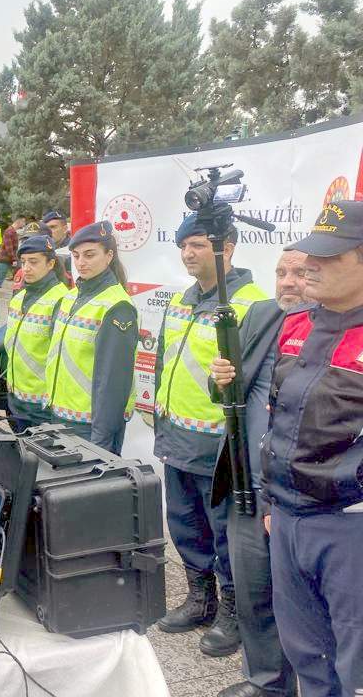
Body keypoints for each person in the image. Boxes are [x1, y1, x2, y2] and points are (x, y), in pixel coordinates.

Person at [212, 202, 363, 697]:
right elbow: (278, 422)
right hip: (290, 520)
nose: (311, 265)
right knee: (308, 655)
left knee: (355, 663)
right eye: (309, 254)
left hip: (348, 526)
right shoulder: (295, 325)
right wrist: (277, 502)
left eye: (328, 256)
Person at [153, 215, 268, 657]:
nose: (188, 253)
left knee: (225, 532)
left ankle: (235, 612)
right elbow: (168, 362)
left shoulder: (252, 303)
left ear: (228, 247)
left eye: (198, 244)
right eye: (184, 246)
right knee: (185, 525)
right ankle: (201, 599)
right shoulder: (183, 299)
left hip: (218, 446)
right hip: (177, 435)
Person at [207, 251, 308, 697]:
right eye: (281, 273)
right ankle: (267, 681)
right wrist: (220, 378)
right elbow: (226, 390)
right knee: (253, 591)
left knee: (307, 604)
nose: (288, 282)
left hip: (301, 495)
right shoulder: (262, 315)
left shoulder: (337, 327)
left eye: (300, 273)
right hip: (246, 484)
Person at [44, 221, 137, 455]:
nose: (81, 262)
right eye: (76, 256)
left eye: (89, 255)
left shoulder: (117, 305)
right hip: (60, 416)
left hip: (90, 427)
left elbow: (113, 381)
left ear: (109, 256)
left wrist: (101, 439)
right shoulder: (70, 297)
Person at [3, 235, 69, 431]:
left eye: (33, 262)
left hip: (42, 404)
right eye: (23, 262)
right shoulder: (19, 297)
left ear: (50, 264)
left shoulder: (61, 299)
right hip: (15, 397)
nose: (26, 268)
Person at [0, 215, 25, 288]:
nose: (24, 223)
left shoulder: (12, 231)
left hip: (7, 258)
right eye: (23, 221)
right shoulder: (9, 231)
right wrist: (14, 259)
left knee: (19, 271)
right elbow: (9, 247)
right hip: (4, 259)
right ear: (19, 221)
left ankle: (18, 287)